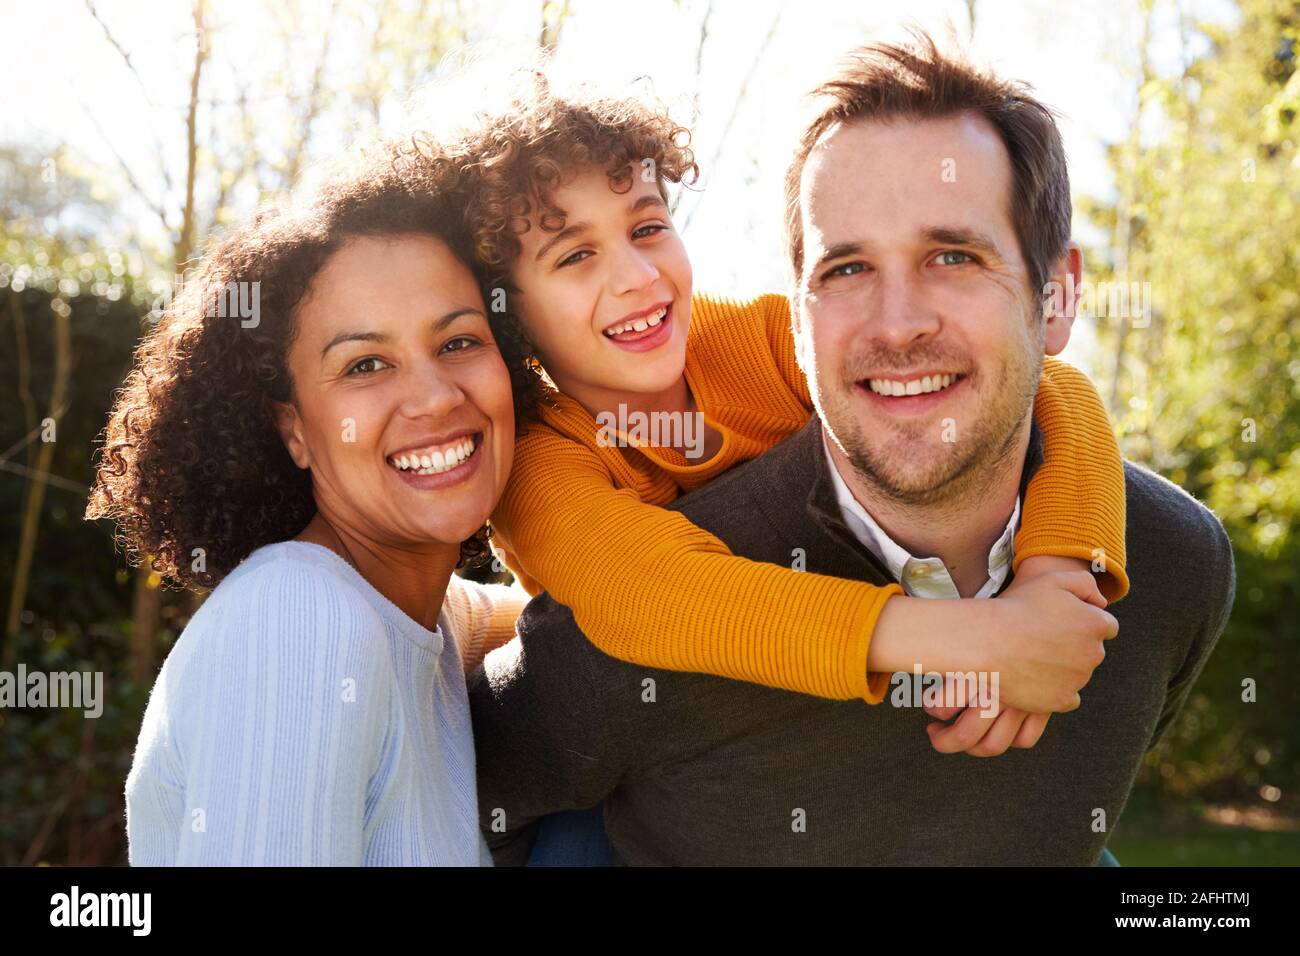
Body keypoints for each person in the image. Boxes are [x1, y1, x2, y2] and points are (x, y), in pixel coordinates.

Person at [467, 33, 1235, 866]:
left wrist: (1062, 565)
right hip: (619, 770)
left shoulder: (760, 339)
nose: (635, 277)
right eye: (574, 255)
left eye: (647, 227)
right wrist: (969, 642)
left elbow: (1056, 390)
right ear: (508, 311)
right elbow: (653, 595)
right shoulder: (538, 460)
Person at [88, 142, 533, 865]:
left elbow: (584, 606)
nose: (434, 397)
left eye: (457, 342)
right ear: (293, 429)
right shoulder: (298, 616)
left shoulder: (430, 616)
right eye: (365, 364)